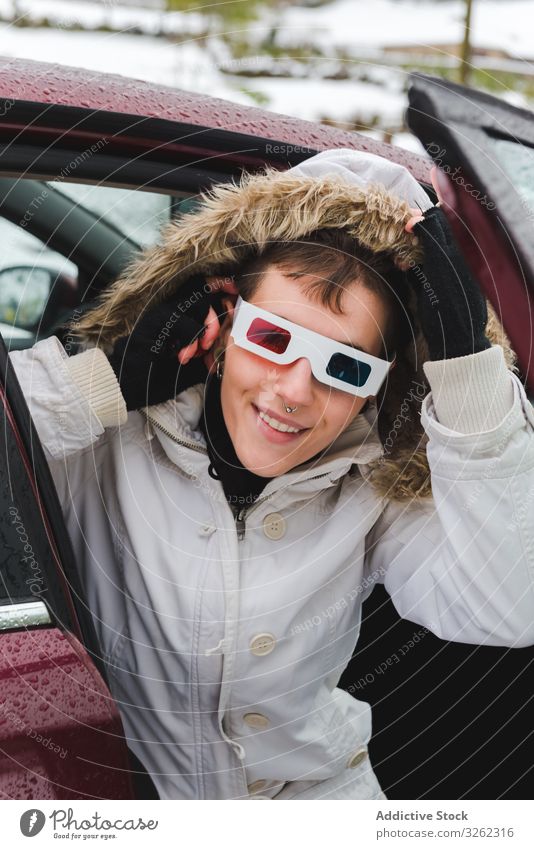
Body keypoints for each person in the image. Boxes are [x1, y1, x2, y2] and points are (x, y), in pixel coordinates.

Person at [9, 149, 534, 801]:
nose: (294, 391)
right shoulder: (106, 439)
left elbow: (510, 606)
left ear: (377, 388)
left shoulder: (373, 476)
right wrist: (95, 382)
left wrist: (471, 380)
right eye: (273, 338)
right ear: (222, 322)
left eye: (344, 368)